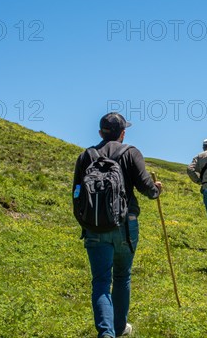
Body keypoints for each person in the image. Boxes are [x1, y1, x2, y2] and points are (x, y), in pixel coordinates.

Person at [73, 112, 163, 338]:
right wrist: (156, 189)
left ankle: (106, 333)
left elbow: (76, 195)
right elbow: (147, 189)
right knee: (122, 277)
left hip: (94, 227)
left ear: (100, 132)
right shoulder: (130, 153)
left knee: (101, 281)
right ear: (122, 133)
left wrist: (85, 223)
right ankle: (120, 327)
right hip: (125, 226)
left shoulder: (86, 156)